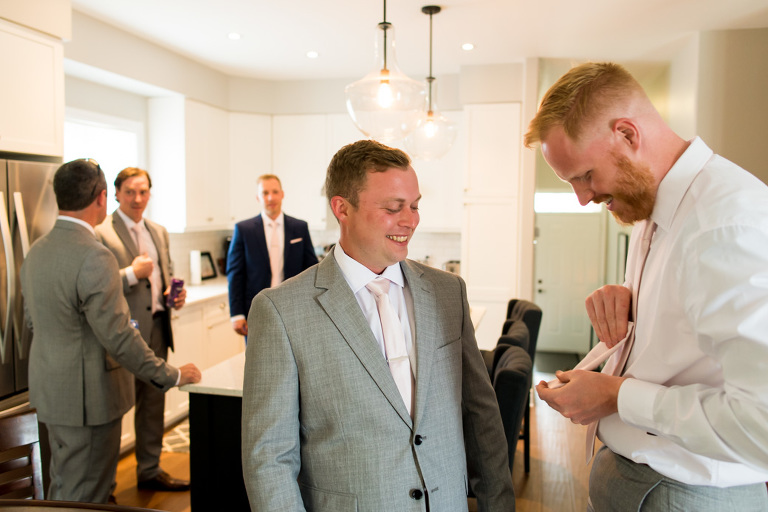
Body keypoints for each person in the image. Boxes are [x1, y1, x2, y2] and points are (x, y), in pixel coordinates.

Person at [527, 62, 768, 510]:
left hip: (687, 493)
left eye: (584, 176)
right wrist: (627, 295)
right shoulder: (652, 209)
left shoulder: (726, 223)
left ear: (627, 135)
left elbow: (762, 424)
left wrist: (617, 396)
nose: (582, 198)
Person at [241, 140, 515, 511]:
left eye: (415, 205)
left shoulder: (448, 292)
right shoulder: (279, 310)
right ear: (342, 208)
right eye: (393, 208)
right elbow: (269, 457)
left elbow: (481, 416)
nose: (411, 220)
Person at [20, 158, 201, 504]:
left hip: (50, 392)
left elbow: (33, 322)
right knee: (88, 494)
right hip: (89, 399)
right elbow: (118, 337)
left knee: (63, 486)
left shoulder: (37, 251)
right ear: (104, 198)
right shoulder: (94, 254)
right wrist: (173, 374)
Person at [95, 167, 191, 491]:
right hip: (122, 335)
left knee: (153, 404)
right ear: (116, 194)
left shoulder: (159, 231)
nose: (138, 199)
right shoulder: (101, 233)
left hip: (158, 328)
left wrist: (172, 296)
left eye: (143, 191)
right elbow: (99, 286)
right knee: (117, 408)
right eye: (130, 192)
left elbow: (167, 272)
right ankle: (106, 487)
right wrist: (132, 274)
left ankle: (150, 470)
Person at [226, 174, 318, 336]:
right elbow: (235, 274)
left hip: (294, 308)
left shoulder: (300, 227)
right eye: (264, 193)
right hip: (256, 309)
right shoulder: (243, 230)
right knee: (258, 360)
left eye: (275, 192)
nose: (270, 197)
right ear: (257, 197)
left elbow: (311, 270)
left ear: (282, 194)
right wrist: (237, 313)